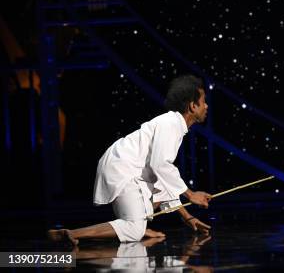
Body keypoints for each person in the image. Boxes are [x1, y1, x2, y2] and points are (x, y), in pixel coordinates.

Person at [48, 75, 213, 245]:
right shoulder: (171, 124)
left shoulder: (173, 124)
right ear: (193, 106)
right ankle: (72, 233)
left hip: (125, 166)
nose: (206, 106)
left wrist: (188, 217)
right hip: (122, 166)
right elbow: (160, 166)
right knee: (134, 230)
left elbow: (164, 182)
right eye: (204, 101)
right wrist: (191, 194)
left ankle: (137, 223)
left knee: (152, 198)